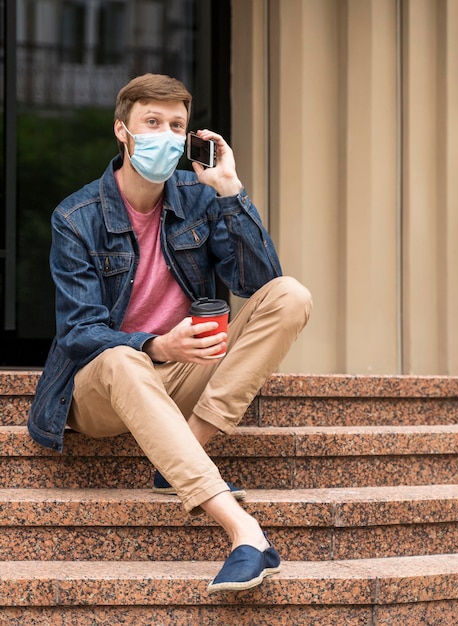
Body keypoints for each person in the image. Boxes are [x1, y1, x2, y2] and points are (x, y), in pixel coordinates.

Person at [28, 73, 312, 594]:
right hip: (104, 388)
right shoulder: (77, 216)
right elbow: (80, 332)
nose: (164, 134)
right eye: (151, 122)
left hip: (181, 373)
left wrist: (230, 193)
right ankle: (242, 531)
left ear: (188, 138)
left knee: (291, 294)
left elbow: (259, 283)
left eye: (175, 125)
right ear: (123, 131)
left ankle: (183, 456)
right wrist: (155, 344)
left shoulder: (198, 197)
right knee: (119, 356)